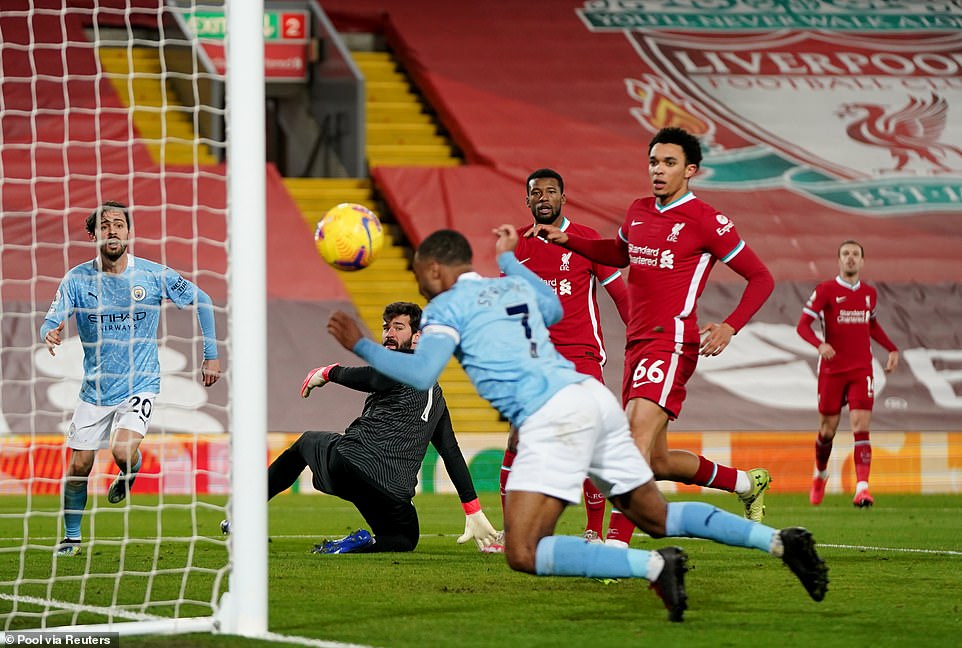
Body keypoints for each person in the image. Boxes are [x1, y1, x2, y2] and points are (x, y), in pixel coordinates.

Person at [327, 227, 828, 623]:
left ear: (434, 268)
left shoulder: (444, 308)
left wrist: (360, 345)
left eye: (419, 274)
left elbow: (419, 372)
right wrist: (508, 260)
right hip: (591, 398)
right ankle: (782, 542)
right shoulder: (507, 284)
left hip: (552, 417)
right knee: (656, 517)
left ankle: (655, 566)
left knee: (523, 550)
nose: (418, 283)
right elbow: (551, 307)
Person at [528, 127, 775, 523]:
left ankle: (616, 549)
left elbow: (761, 277)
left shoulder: (707, 220)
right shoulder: (638, 210)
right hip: (637, 345)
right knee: (656, 461)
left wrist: (731, 326)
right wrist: (568, 240)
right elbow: (619, 253)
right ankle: (747, 483)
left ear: (690, 170)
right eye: (653, 162)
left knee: (631, 448)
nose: (658, 170)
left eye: (669, 163)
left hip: (672, 342)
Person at [40, 201, 221, 557]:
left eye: (119, 224)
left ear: (129, 232)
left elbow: (203, 299)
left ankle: (129, 468)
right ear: (94, 235)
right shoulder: (77, 279)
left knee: (122, 450)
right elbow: (52, 317)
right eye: (104, 225)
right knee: (79, 465)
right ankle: (72, 537)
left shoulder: (153, 275)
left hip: (141, 383)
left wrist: (211, 355)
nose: (112, 230)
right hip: (94, 389)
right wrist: (51, 330)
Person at [252, 301, 500, 554]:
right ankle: (360, 543)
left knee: (306, 442)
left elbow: (374, 378)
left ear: (418, 338)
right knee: (402, 540)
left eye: (398, 327)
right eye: (386, 327)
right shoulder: (436, 396)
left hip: (352, 465)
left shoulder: (403, 366)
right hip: (391, 490)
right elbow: (451, 453)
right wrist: (473, 509)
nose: (389, 334)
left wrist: (329, 372)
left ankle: (246, 515)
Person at [501, 168, 631, 546]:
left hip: (581, 355)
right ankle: (513, 532)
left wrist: (641, 339)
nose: (543, 197)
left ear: (563, 197)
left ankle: (593, 529)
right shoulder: (516, 250)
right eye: (536, 192)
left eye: (550, 191)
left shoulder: (587, 240)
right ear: (527, 201)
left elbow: (621, 297)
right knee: (516, 441)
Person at [796, 241, 899, 508]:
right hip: (832, 370)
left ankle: (862, 488)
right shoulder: (825, 290)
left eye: (855, 254)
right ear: (839, 260)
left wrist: (891, 348)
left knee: (860, 426)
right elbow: (803, 325)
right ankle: (820, 474)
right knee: (826, 432)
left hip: (861, 368)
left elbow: (872, 324)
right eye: (846, 254)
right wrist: (819, 345)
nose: (850, 258)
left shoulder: (869, 293)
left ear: (862, 262)